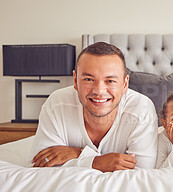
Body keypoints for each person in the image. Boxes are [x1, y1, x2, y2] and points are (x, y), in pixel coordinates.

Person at [31, 42, 158, 172]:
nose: (99, 91)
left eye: (110, 81)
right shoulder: (56, 104)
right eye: (89, 79)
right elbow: (43, 166)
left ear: (125, 84)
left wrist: (78, 155)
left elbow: (141, 173)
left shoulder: (142, 109)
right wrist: (97, 162)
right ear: (75, 80)